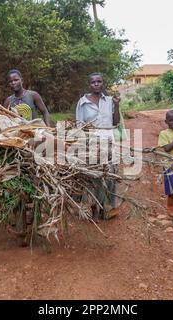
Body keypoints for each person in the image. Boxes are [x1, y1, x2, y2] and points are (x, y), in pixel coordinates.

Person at [75, 73, 121, 220]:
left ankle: (106, 207)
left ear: (103, 83)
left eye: (99, 81)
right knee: (93, 176)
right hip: (91, 143)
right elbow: (79, 125)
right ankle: (94, 207)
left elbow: (115, 122)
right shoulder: (82, 102)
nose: (96, 84)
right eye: (93, 82)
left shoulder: (109, 100)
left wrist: (117, 104)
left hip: (108, 141)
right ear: (89, 84)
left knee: (109, 175)